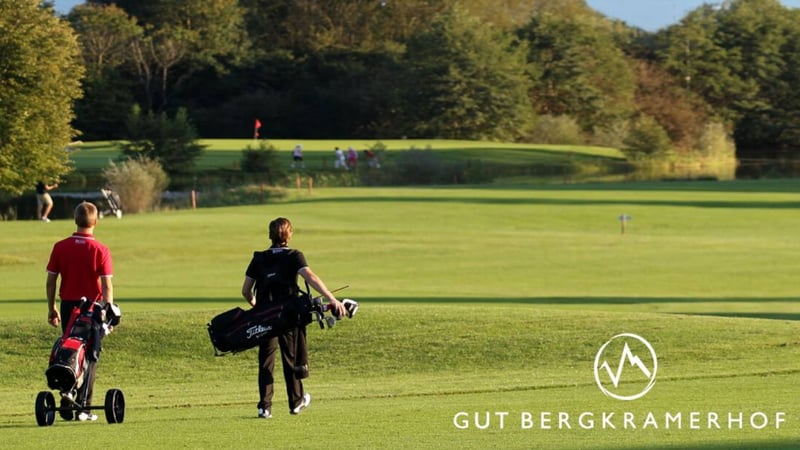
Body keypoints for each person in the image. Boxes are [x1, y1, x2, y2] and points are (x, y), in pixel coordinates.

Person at [240, 217, 345, 419]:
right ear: (289, 235)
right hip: (287, 316)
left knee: (266, 361)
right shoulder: (294, 256)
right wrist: (332, 298)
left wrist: (256, 307)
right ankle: (296, 402)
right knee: (290, 359)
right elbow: (310, 277)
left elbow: (246, 291)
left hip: (264, 317)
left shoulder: (259, 258)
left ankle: (264, 407)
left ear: (270, 235)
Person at [46, 201, 114, 422]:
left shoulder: (60, 246)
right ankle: (83, 408)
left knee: (70, 349)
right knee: (91, 355)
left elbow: (51, 281)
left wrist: (51, 308)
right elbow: (106, 285)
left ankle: (67, 391)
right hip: (92, 308)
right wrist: (108, 312)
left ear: (75, 220)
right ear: (95, 221)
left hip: (68, 306)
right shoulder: (100, 249)